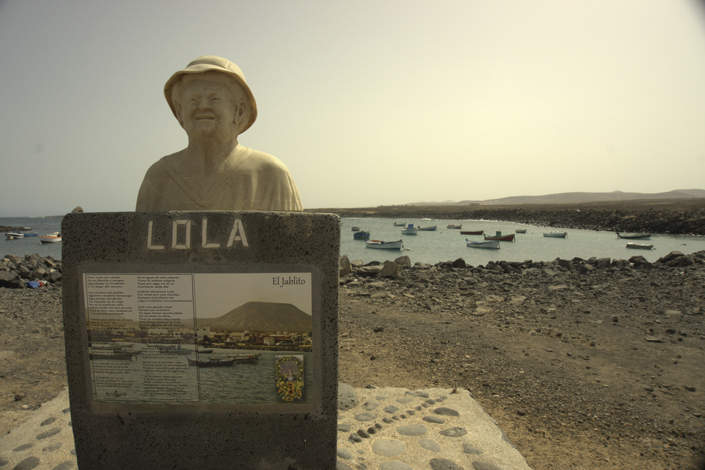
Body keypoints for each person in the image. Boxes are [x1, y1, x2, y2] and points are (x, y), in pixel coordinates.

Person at [136, 56, 302, 212]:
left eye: (214, 98)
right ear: (179, 113)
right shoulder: (157, 178)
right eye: (193, 99)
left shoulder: (270, 174)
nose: (203, 106)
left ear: (239, 111)